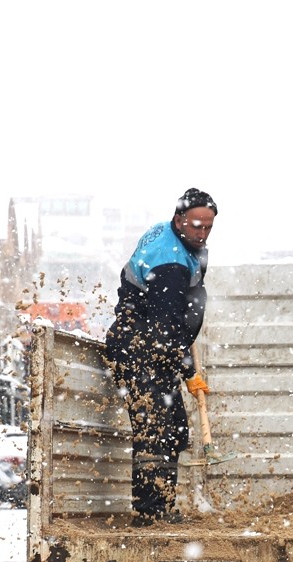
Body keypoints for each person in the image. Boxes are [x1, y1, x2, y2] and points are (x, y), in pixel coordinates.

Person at [106, 188, 217, 525]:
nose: (202, 233)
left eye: (208, 227)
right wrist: (188, 373)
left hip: (151, 343)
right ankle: (149, 513)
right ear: (180, 219)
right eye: (197, 225)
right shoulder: (169, 264)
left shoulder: (169, 234)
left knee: (175, 429)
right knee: (155, 430)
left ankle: (164, 506)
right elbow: (165, 328)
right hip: (139, 346)